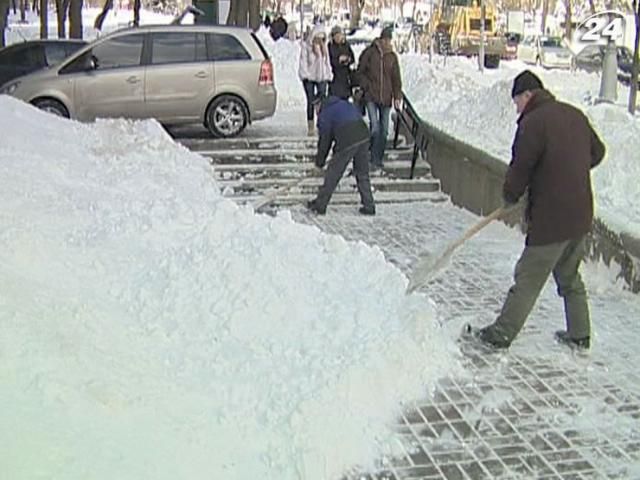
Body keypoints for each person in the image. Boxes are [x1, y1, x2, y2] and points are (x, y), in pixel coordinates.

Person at [468, 70, 605, 351]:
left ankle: (500, 335)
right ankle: (580, 334)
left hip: (552, 219)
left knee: (528, 277)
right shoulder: (574, 114)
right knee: (569, 275)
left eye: (517, 100)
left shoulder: (533, 124)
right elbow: (598, 152)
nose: (516, 107)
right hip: (580, 215)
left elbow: (520, 169)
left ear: (528, 95)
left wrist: (510, 195)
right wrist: (569, 170)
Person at [306, 96, 375, 216]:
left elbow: (324, 142)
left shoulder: (325, 114)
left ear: (319, 105)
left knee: (333, 173)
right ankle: (369, 205)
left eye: (316, 107)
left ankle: (320, 205)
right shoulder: (342, 103)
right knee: (362, 173)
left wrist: (319, 164)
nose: (316, 111)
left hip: (347, 138)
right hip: (363, 134)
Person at [355, 26, 402, 171]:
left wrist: (397, 95)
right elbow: (360, 72)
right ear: (381, 40)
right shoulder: (370, 53)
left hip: (386, 98)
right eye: (386, 40)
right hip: (371, 96)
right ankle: (371, 156)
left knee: (384, 130)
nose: (388, 43)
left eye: (390, 40)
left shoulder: (392, 57)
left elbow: (396, 78)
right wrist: (366, 86)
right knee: (374, 127)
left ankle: (377, 158)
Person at [299, 25, 333, 136]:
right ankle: (310, 126)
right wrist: (304, 75)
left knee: (322, 99)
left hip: (321, 77)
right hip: (309, 77)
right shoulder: (307, 48)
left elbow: (327, 63)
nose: (320, 41)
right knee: (310, 100)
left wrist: (328, 75)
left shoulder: (325, 49)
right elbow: (303, 62)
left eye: (322, 39)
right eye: (317, 38)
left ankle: (322, 123)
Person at [328, 25, 355, 100]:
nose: (338, 37)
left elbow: (352, 58)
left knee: (345, 100)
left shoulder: (346, 45)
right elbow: (329, 61)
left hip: (345, 77)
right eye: (336, 36)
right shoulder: (330, 46)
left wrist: (347, 60)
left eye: (339, 35)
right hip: (335, 77)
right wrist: (339, 60)